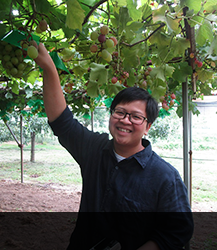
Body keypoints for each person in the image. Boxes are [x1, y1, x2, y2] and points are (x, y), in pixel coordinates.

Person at [31, 43, 193, 249]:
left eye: (135, 116)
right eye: (120, 112)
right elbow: (62, 122)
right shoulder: (94, 150)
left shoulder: (164, 176)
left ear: (147, 127)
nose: (125, 120)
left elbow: (178, 230)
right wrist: (49, 69)